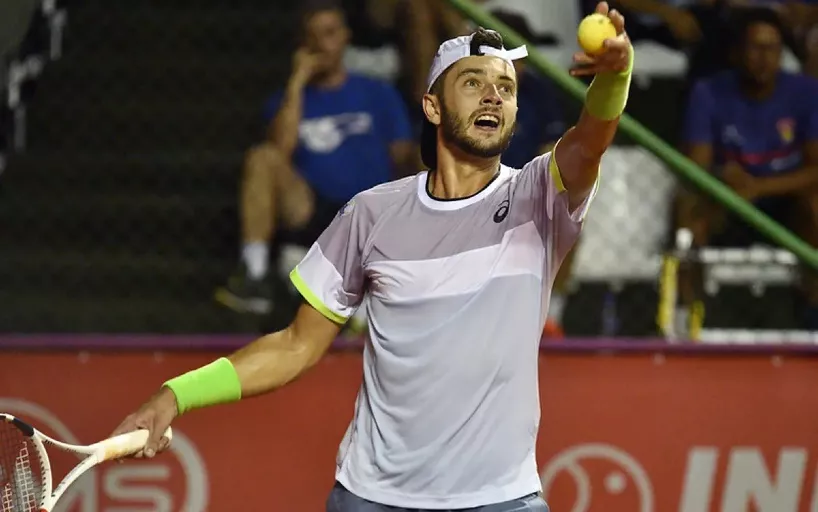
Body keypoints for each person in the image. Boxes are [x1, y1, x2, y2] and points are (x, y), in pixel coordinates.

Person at [111, 2, 633, 510]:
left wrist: (614, 75)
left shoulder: (537, 198)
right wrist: (176, 394)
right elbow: (296, 345)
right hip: (372, 498)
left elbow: (589, 143)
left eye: (506, 88)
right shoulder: (371, 214)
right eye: (472, 82)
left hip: (501, 499)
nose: (493, 97)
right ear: (432, 106)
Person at [215, 0, 415, 315]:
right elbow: (279, 154)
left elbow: (404, 156)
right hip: (313, 211)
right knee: (261, 157)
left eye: (330, 33)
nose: (323, 44)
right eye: (314, 36)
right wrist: (297, 82)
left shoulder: (377, 93)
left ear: (346, 36)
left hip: (370, 211)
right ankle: (254, 275)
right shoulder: (286, 100)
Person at [676, 7, 818, 330]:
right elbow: (696, 168)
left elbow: (816, 169)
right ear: (736, 53)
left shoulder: (808, 93)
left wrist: (759, 187)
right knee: (687, 209)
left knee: (816, 204)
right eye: (755, 47)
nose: (764, 57)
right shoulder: (708, 92)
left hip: (784, 201)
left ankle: (813, 315)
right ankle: (688, 320)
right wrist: (721, 176)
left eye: (773, 48)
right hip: (728, 200)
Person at [490, 9, 571, 338]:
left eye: (518, 55)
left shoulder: (539, 92)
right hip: (470, 189)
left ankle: (550, 314)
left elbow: (552, 152)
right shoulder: (463, 92)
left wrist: (523, 191)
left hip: (522, 190)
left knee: (566, 208)